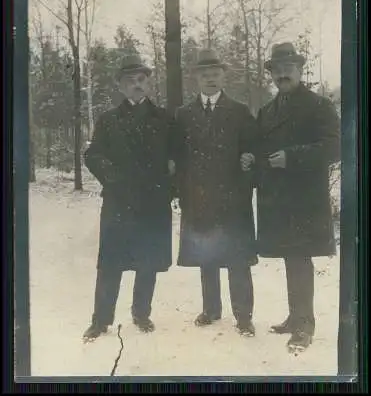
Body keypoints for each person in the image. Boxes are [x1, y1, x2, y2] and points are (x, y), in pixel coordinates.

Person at [242, 42, 340, 352]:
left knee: (299, 259)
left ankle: (304, 325)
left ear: (300, 70)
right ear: (271, 73)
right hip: (276, 199)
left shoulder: (319, 105)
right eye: (277, 69)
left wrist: (292, 157)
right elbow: (261, 149)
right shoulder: (268, 110)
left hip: (304, 199)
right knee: (290, 258)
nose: (282, 74)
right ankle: (295, 316)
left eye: (289, 68)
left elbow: (336, 147)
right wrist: (251, 159)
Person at [82, 54, 174, 342]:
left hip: (153, 202)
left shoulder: (165, 119)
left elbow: (178, 156)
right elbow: (93, 154)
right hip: (119, 201)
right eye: (130, 81)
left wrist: (171, 178)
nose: (136, 85)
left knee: (148, 261)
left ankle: (141, 313)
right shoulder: (109, 120)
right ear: (120, 87)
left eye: (141, 80)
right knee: (111, 262)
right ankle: (101, 320)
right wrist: (113, 177)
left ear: (148, 84)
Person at [174, 48, 258, 336]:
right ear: (196, 78)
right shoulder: (183, 114)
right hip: (199, 196)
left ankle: (244, 316)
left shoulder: (240, 111)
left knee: (237, 258)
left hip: (233, 197)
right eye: (204, 74)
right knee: (207, 254)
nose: (210, 78)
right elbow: (179, 156)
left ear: (224, 76)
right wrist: (182, 192)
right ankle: (211, 309)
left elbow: (251, 148)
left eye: (215, 73)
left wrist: (249, 158)